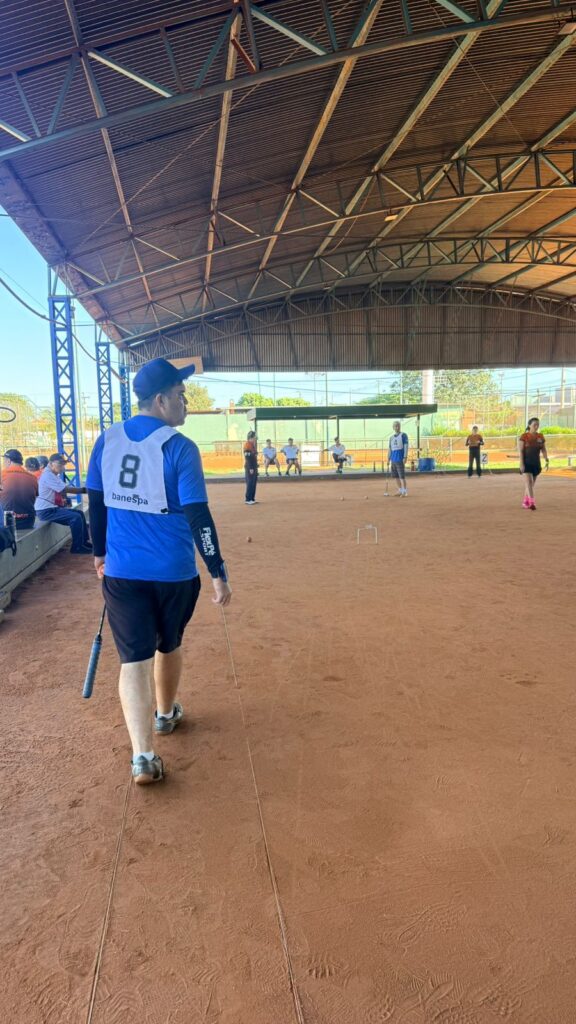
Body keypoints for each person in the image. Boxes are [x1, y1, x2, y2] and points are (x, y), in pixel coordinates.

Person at [87, 357, 232, 785]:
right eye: (181, 396)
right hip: (173, 572)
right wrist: (217, 571)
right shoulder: (180, 448)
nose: (186, 403)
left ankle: (143, 757)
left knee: (133, 658)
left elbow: (96, 502)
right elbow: (198, 516)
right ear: (160, 400)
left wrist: (99, 554)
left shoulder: (106, 440)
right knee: (168, 644)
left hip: (122, 572)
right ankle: (165, 714)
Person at [34, 453, 91, 552]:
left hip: (50, 508)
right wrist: (85, 490)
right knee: (75, 517)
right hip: (45, 511)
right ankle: (77, 547)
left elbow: (62, 489)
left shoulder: (51, 474)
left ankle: (83, 542)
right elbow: (64, 489)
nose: (62, 467)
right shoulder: (48, 475)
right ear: (51, 463)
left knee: (80, 514)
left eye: (63, 464)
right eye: (60, 464)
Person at [0, 448, 38, 530]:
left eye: (4, 461)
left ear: (8, 461)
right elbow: (35, 497)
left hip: (8, 523)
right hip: (29, 521)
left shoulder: (2, 475)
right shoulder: (33, 477)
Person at [519, 417, 548, 510]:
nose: (536, 426)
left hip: (536, 463)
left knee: (530, 485)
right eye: (534, 424)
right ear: (529, 425)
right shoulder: (524, 436)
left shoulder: (540, 436)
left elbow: (543, 449)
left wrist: (546, 458)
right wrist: (521, 464)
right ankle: (532, 503)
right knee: (529, 482)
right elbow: (521, 451)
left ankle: (525, 502)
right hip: (526, 462)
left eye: (538, 425)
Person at [388, 421, 409, 496]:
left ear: (400, 426)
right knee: (396, 477)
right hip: (393, 460)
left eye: (398, 426)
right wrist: (388, 458)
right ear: (393, 427)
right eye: (395, 426)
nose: (397, 427)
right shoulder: (391, 438)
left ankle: (405, 491)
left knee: (402, 477)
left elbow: (406, 446)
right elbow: (390, 449)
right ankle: (400, 490)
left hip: (400, 459)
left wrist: (405, 457)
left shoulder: (403, 435)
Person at [244, 430, 258, 504]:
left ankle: (252, 498)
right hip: (250, 466)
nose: (255, 438)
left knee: (253, 482)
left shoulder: (252, 444)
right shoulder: (247, 445)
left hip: (254, 465)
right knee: (250, 482)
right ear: (251, 437)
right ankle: (248, 499)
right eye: (255, 437)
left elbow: (253, 454)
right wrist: (251, 468)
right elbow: (248, 457)